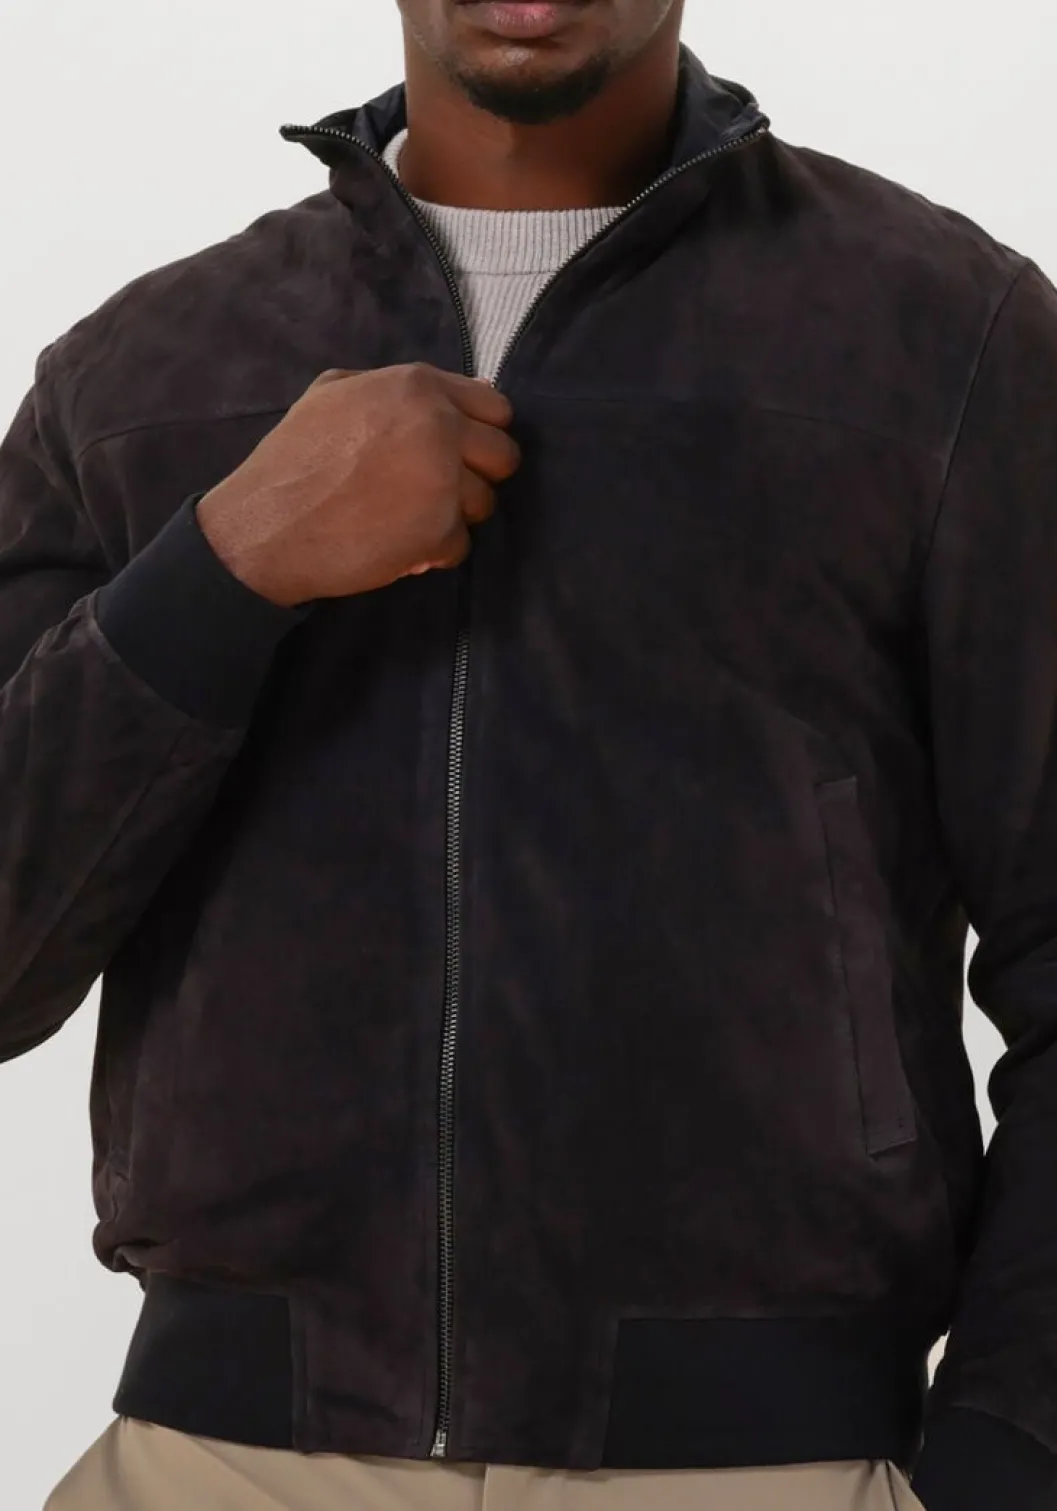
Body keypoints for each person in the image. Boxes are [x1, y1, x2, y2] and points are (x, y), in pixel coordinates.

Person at [4, 0, 1056, 1506]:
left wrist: (1012, 1453)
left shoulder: (945, 342)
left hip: (768, 1465)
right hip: (222, 1463)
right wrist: (224, 566)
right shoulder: (136, 379)